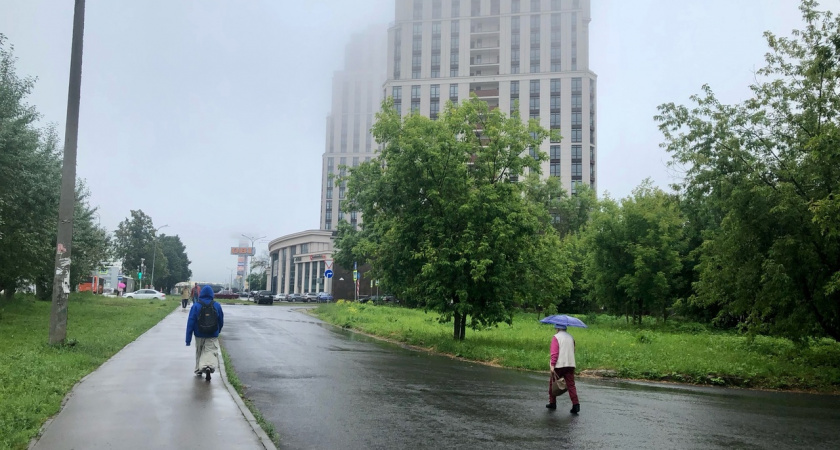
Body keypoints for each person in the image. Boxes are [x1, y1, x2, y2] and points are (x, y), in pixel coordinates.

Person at [186, 285, 224, 381]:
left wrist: (188, 339)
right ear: (212, 294)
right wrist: (218, 330)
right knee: (210, 351)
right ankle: (208, 366)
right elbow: (221, 320)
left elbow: (190, 322)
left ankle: (199, 369)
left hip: (199, 333)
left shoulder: (196, 306)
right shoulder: (217, 305)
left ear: (201, 294)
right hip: (212, 333)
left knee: (199, 350)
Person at [547, 324, 580, 414]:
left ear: (557, 328)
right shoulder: (571, 338)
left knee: (552, 383)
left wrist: (552, 365)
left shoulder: (556, 337)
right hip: (570, 364)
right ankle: (576, 405)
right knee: (571, 385)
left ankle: (552, 402)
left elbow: (554, 353)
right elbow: (573, 350)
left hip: (559, 365)